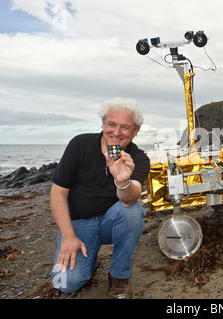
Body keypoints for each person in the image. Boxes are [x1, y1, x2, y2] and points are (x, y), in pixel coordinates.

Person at [50, 97, 150, 299]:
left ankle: (119, 276)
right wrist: (68, 236)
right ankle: (90, 260)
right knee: (68, 283)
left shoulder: (138, 159)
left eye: (125, 127)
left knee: (131, 210)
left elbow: (131, 197)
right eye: (111, 124)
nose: (116, 132)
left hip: (111, 223)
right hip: (78, 223)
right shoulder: (80, 144)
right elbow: (58, 192)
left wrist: (122, 180)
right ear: (103, 124)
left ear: (135, 131)